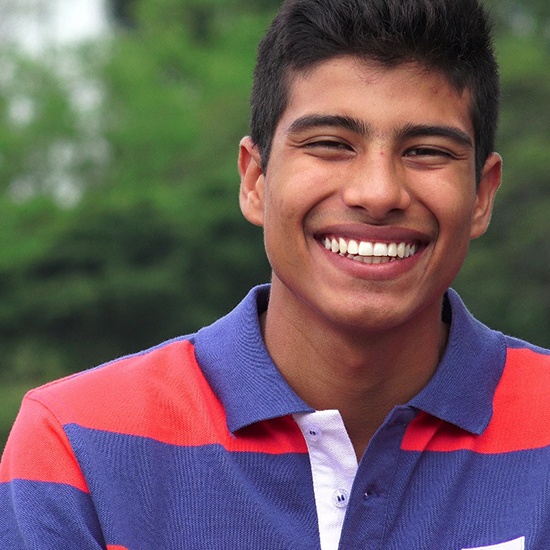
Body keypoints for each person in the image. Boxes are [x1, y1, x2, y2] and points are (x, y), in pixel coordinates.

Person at [1, 0, 549, 548]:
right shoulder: (77, 446)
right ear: (255, 180)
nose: (379, 193)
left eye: (426, 151)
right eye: (331, 145)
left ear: (482, 195)